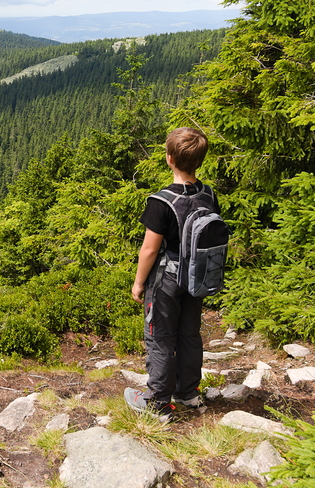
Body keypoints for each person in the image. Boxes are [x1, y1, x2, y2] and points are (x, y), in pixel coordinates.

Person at [124, 127, 218, 421]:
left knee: (160, 337)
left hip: (166, 280)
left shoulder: (161, 201)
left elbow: (149, 249)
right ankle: (188, 392)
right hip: (196, 276)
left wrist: (138, 283)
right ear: (200, 160)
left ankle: (158, 402)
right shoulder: (208, 195)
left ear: (169, 159)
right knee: (189, 333)